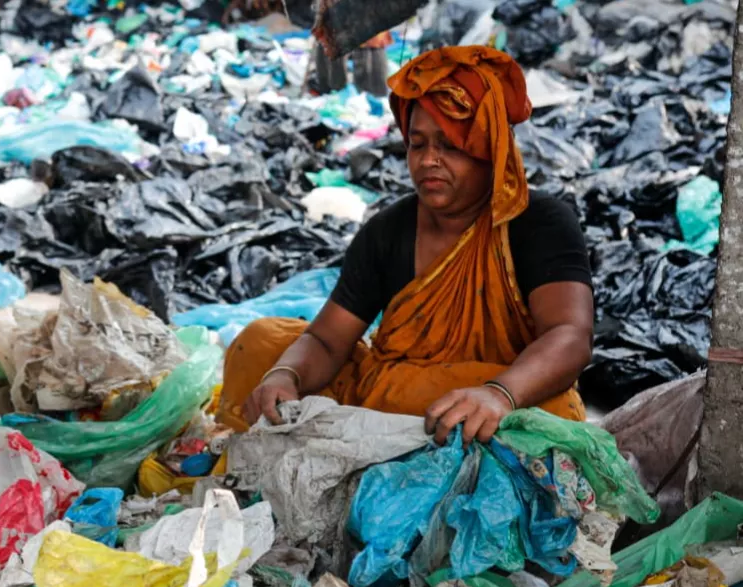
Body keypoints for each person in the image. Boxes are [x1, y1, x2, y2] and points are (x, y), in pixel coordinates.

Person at [220, 46, 594, 444]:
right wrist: (285, 376)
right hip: (385, 392)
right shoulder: (387, 230)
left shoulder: (538, 221)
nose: (428, 160)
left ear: (491, 151)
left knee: (554, 414)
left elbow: (569, 334)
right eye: (418, 145)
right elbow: (327, 341)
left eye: (449, 146)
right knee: (260, 344)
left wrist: (499, 394)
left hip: (488, 399)